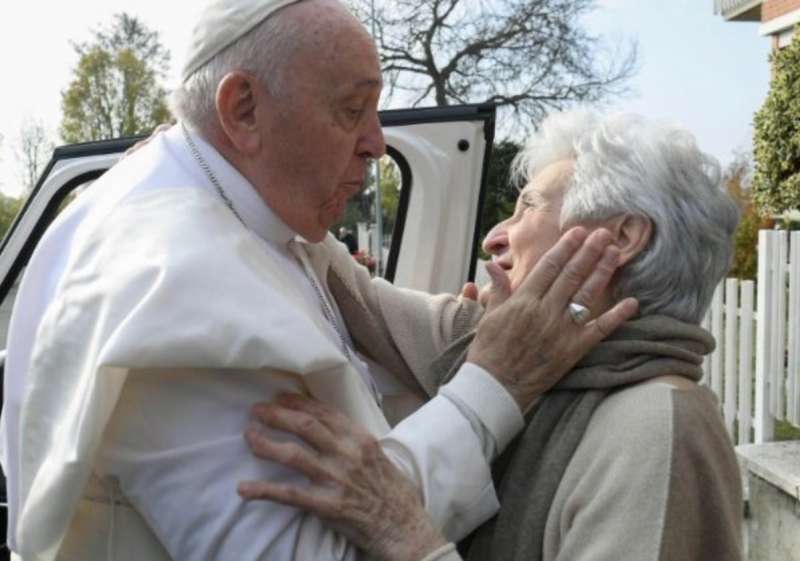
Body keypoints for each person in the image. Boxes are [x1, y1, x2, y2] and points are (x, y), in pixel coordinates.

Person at [0, 3, 637, 561]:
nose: (377, 143)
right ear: (242, 108)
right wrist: (494, 385)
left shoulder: (220, 198)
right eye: (352, 109)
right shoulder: (175, 287)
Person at [239, 110, 744, 561]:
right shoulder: (496, 343)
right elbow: (349, 289)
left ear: (620, 240)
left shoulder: (658, 425)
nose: (494, 235)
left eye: (528, 207)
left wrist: (405, 535)